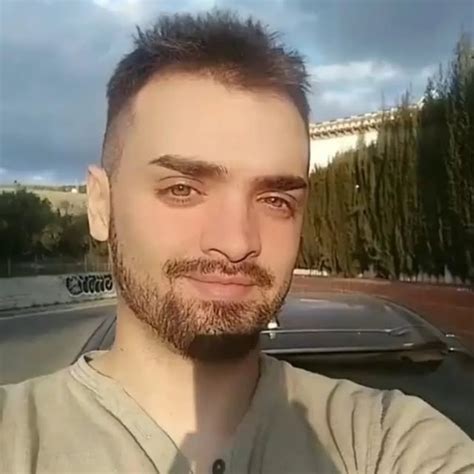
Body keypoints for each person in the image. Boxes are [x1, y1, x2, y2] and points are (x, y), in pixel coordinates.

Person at [1, 10, 472, 474]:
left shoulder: (382, 439)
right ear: (100, 206)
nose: (236, 242)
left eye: (274, 200)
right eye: (182, 189)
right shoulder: (16, 438)